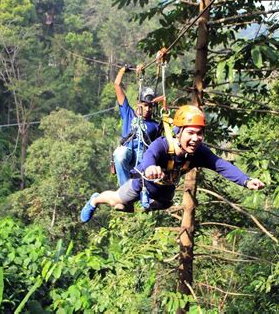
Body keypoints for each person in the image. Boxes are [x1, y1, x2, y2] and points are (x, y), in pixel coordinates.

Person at [81, 105, 264, 222]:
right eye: (191, 133)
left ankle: (147, 204)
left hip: (163, 193)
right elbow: (149, 157)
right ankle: (95, 199)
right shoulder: (161, 145)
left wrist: (245, 180)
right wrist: (150, 168)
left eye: (199, 133)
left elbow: (220, 165)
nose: (196, 139)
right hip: (142, 185)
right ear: (179, 132)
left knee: (165, 203)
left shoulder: (199, 153)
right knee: (116, 201)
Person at [112, 66, 160, 186]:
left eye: (151, 106)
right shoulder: (128, 114)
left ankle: (140, 188)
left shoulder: (155, 125)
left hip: (142, 156)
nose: (148, 109)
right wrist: (123, 70)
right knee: (120, 154)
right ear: (138, 104)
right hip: (127, 150)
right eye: (145, 105)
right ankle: (124, 189)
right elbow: (117, 85)